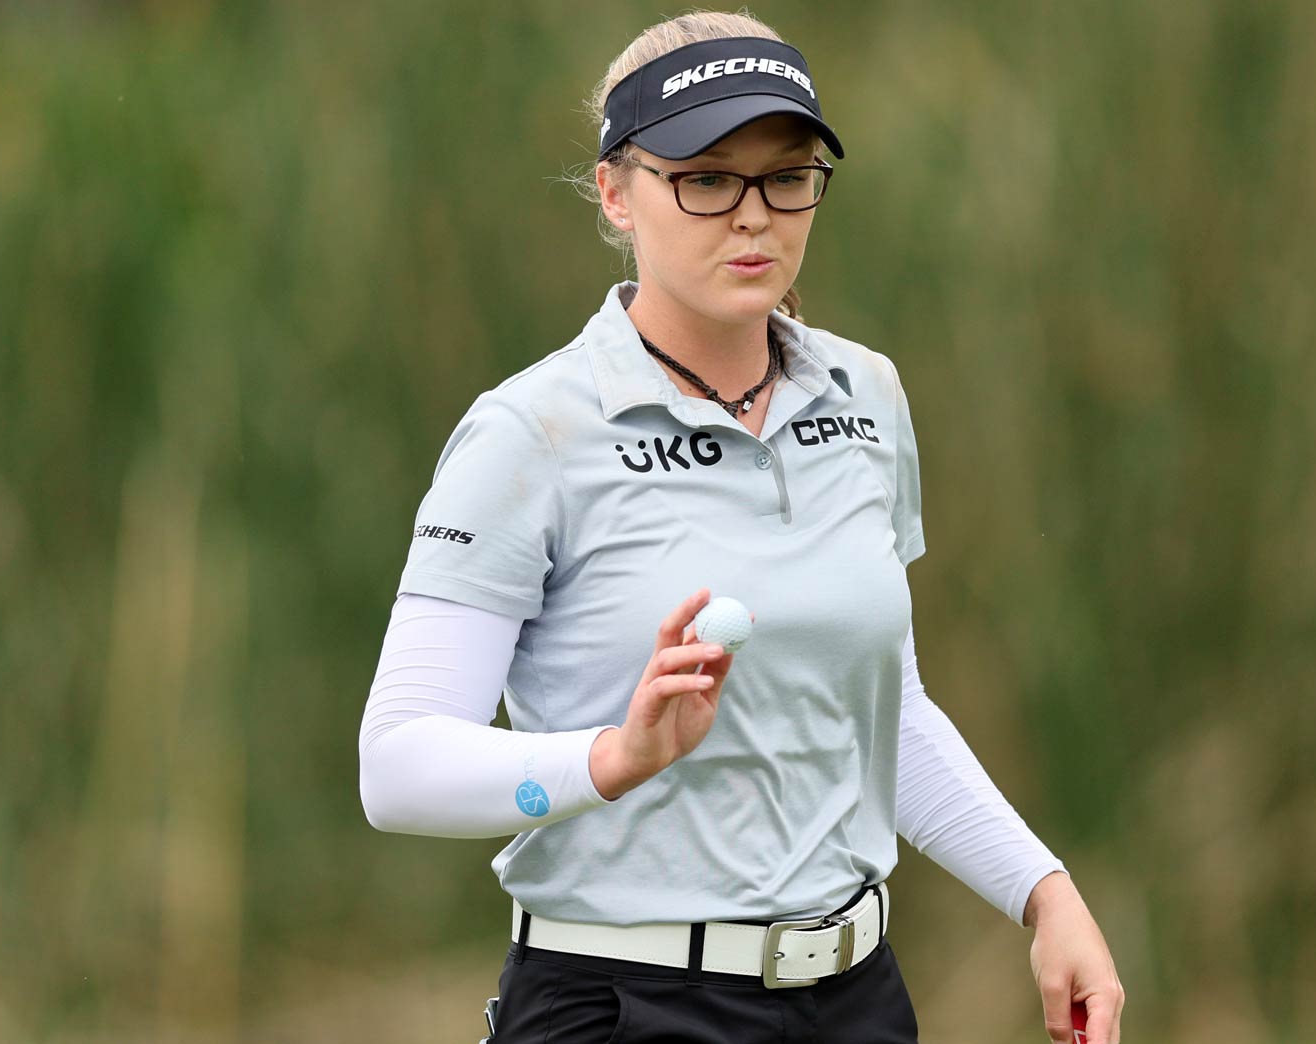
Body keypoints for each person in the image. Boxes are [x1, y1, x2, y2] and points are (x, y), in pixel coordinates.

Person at [357, 11, 1123, 1043]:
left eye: (786, 174)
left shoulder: (865, 394)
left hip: (855, 1000)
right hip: (622, 1002)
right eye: (706, 178)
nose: (752, 215)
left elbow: (880, 712)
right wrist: (608, 760)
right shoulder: (528, 431)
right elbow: (396, 765)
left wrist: (1042, 892)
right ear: (617, 192)